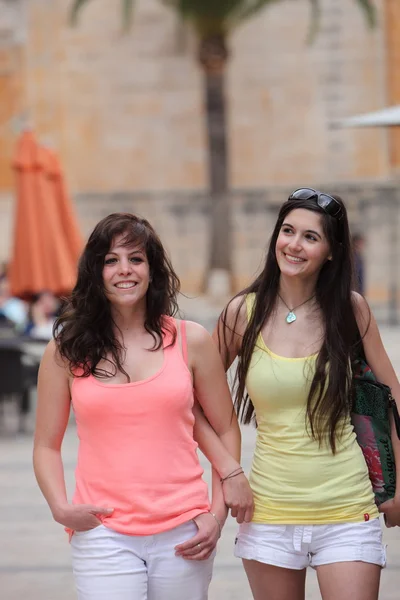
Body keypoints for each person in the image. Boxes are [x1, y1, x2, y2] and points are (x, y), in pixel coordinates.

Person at [33, 213, 253, 600]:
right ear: (95, 272)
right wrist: (60, 507)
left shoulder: (192, 340)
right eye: (111, 260)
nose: (124, 270)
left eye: (136, 259)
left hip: (185, 532)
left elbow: (226, 428)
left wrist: (216, 515)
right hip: (103, 532)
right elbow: (46, 445)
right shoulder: (65, 351)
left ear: (152, 270)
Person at [213, 188, 400, 600]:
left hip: (349, 509)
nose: (294, 245)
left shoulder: (351, 310)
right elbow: (190, 397)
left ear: (331, 251)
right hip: (268, 513)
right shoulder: (241, 314)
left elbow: (392, 398)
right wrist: (228, 472)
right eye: (287, 231)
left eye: (310, 237)